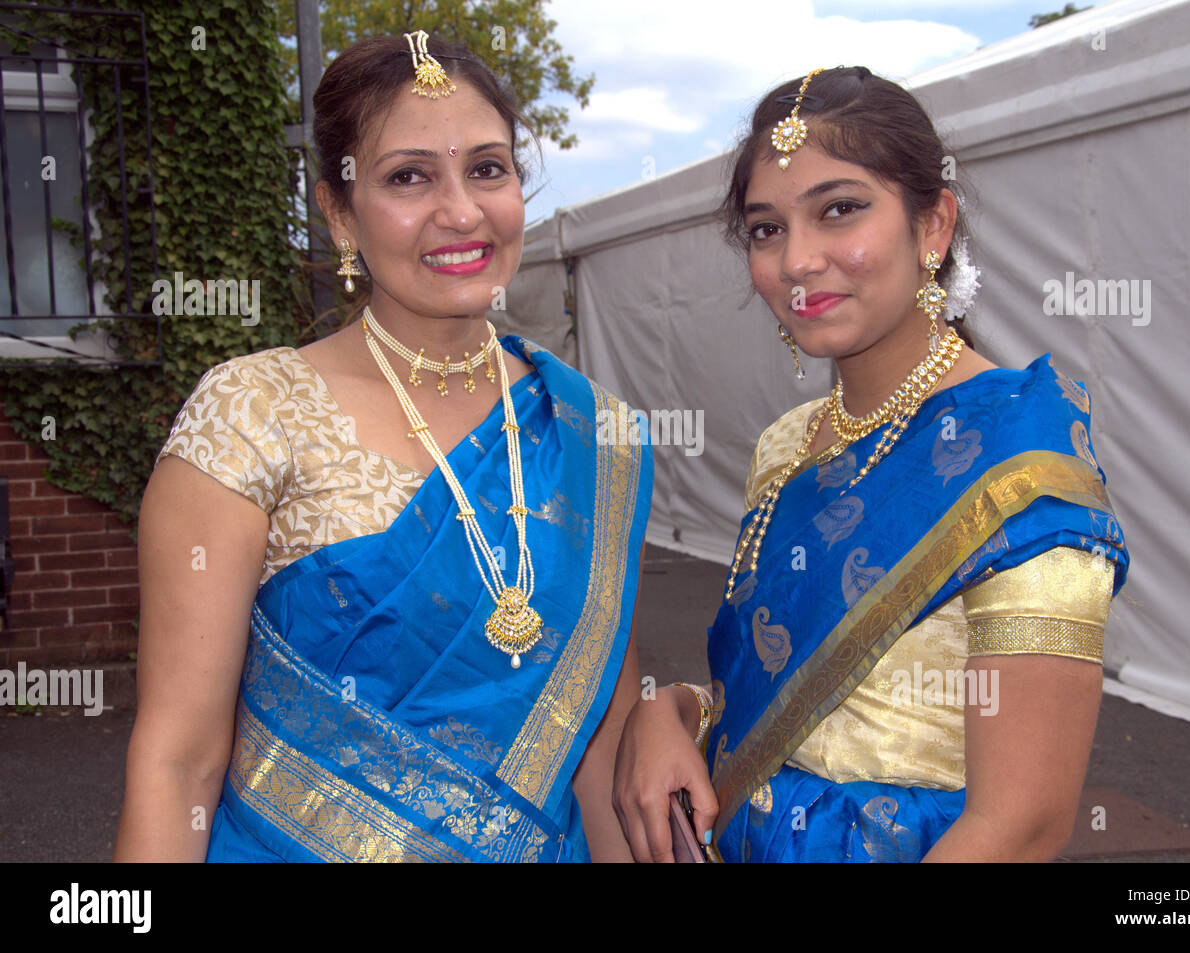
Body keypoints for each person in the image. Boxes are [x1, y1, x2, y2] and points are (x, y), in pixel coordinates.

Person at [115, 31, 652, 863]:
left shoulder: (592, 432)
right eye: (409, 176)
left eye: (488, 168)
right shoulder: (252, 412)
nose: (463, 212)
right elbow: (178, 762)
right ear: (338, 210)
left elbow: (598, 751)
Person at [613, 66, 1129, 862]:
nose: (798, 261)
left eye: (839, 210)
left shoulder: (1021, 455)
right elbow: (786, 697)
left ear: (934, 225)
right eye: (766, 229)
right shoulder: (786, 447)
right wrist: (672, 711)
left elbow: (1022, 826)